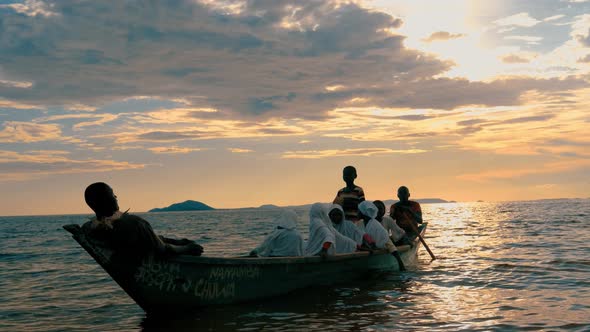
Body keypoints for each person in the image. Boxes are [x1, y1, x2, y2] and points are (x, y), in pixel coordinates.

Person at [83, 182, 203, 261]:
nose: (116, 197)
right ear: (105, 200)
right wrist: (188, 248)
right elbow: (161, 249)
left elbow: (148, 239)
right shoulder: (134, 223)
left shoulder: (89, 229)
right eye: (112, 194)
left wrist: (178, 241)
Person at [358, 201, 406, 271]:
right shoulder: (359, 224)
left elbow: (389, 244)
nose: (357, 213)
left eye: (359, 211)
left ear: (364, 212)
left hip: (379, 249)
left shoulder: (376, 226)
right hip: (366, 250)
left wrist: (400, 264)